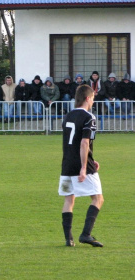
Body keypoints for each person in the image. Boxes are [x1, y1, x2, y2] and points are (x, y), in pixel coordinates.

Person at [59, 84, 104, 247]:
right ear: (87, 98)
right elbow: (84, 143)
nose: (93, 101)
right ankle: (86, 234)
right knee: (98, 198)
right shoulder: (89, 117)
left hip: (66, 164)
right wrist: (85, 167)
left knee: (69, 199)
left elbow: (72, 141)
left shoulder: (68, 116)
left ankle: (68, 239)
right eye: (92, 98)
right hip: (80, 165)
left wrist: (92, 158)